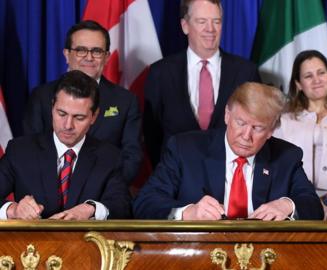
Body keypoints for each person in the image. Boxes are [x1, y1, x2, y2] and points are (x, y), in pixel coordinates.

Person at [134, 82, 323, 220]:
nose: (246, 136)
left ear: (271, 131)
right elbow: (145, 203)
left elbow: (313, 207)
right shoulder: (184, 149)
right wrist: (188, 212)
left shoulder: (286, 156)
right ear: (227, 115)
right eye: (240, 123)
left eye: (257, 128)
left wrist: (286, 205)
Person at [0, 70, 131, 220]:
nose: (68, 125)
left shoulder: (109, 157)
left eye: (79, 117)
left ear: (94, 116)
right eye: (61, 114)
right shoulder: (20, 151)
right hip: (30, 243)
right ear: (52, 107)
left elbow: (122, 206)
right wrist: (13, 209)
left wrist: (91, 209)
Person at [143, 0, 261, 166]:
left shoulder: (246, 72)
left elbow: (257, 127)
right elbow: (151, 133)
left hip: (229, 178)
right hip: (175, 177)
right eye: (202, 21)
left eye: (216, 21)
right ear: (185, 25)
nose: (210, 29)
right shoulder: (160, 73)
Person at [23, 20, 142, 184]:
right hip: (49, 196)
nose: (89, 57)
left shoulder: (126, 101)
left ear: (107, 57)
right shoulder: (41, 96)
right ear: (66, 54)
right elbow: (29, 151)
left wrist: (100, 191)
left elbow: (131, 158)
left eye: (97, 51)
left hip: (103, 196)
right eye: (80, 50)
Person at [274, 50, 327, 218]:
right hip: (293, 209)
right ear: (298, 84)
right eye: (308, 76)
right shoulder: (283, 122)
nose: (316, 80)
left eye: (321, 73)